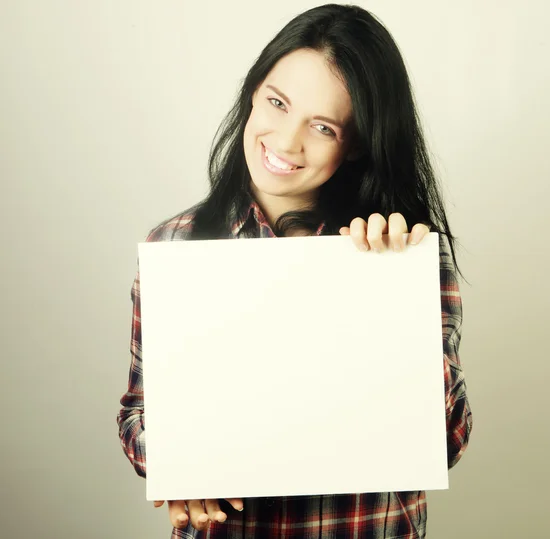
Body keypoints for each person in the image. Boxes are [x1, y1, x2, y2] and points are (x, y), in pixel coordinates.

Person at [117, 3, 473, 538]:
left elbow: (448, 441)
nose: (286, 142)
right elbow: (137, 416)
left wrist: (394, 297)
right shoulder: (175, 246)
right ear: (253, 94)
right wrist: (173, 467)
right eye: (277, 103)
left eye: (323, 126)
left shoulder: (408, 255)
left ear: (354, 144)